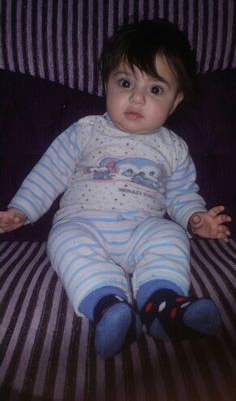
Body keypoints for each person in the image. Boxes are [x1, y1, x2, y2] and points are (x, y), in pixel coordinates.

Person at [0, 19, 231, 359]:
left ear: (176, 100)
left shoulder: (174, 147)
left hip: (143, 227)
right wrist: (21, 210)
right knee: (63, 241)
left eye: (155, 89)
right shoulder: (85, 131)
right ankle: (109, 306)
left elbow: (182, 194)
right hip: (83, 223)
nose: (136, 98)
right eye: (125, 82)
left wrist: (194, 218)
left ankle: (162, 304)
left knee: (170, 237)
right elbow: (48, 173)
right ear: (106, 85)